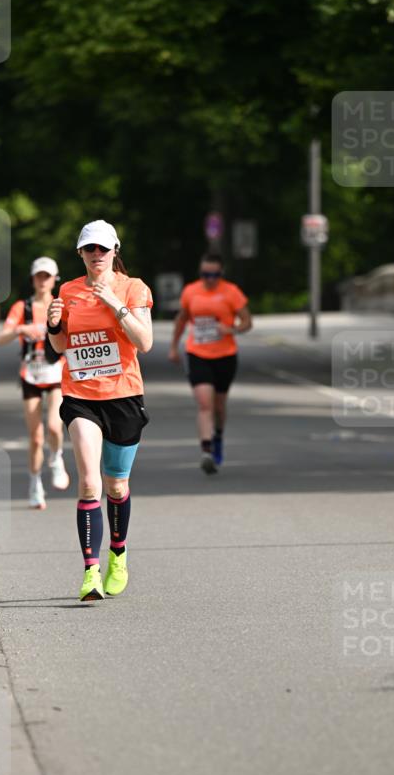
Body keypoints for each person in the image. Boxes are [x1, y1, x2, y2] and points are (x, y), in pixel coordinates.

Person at [46, 220, 153, 601]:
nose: (96, 255)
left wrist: (114, 303)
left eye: (102, 249)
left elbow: (145, 342)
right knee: (90, 481)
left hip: (123, 396)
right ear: (80, 253)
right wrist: (53, 324)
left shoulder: (133, 287)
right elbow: (60, 347)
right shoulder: (68, 290)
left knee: (116, 485)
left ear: (114, 252)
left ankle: (117, 554)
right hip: (81, 396)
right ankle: (90, 572)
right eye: (89, 249)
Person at [0, 257, 70, 509]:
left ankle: (57, 457)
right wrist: (20, 330)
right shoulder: (22, 307)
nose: (42, 280)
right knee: (36, 436)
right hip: (30, 374)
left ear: (54, 279)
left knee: (54, 427)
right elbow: (1, 338)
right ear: (32, 278)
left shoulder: (61, 305)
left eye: (47, 276)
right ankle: (35, 483)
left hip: (56, 373)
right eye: (39, 275)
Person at [169, 252, 252, 473]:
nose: (209, 278)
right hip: (197, 353)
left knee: (219, 406)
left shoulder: (231, 292)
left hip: (225, 356)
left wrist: (232, 329)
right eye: (205, 274)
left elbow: (247, 321)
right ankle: (206, 451)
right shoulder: (191, 291)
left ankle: (218, 437)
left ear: (220, 273)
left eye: (214, 274)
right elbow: (182, 319)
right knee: (205, 402)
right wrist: (173, 347)